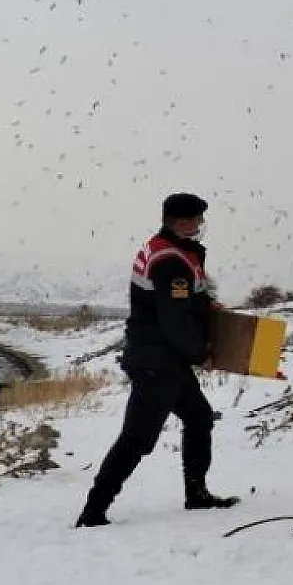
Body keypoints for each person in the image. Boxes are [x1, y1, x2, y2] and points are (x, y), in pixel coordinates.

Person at [75, 192, 241, 527]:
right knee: (137, 439)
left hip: (165, 358)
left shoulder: (172, 250)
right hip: (157, 361)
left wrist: (208, 306)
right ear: (181, 222)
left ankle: (196, 494)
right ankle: (93, 512)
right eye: (196, 219)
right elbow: (173, 318)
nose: (200, 225)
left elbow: (182, 300)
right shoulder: (170, 260)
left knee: (199, 418)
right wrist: (201, 355)